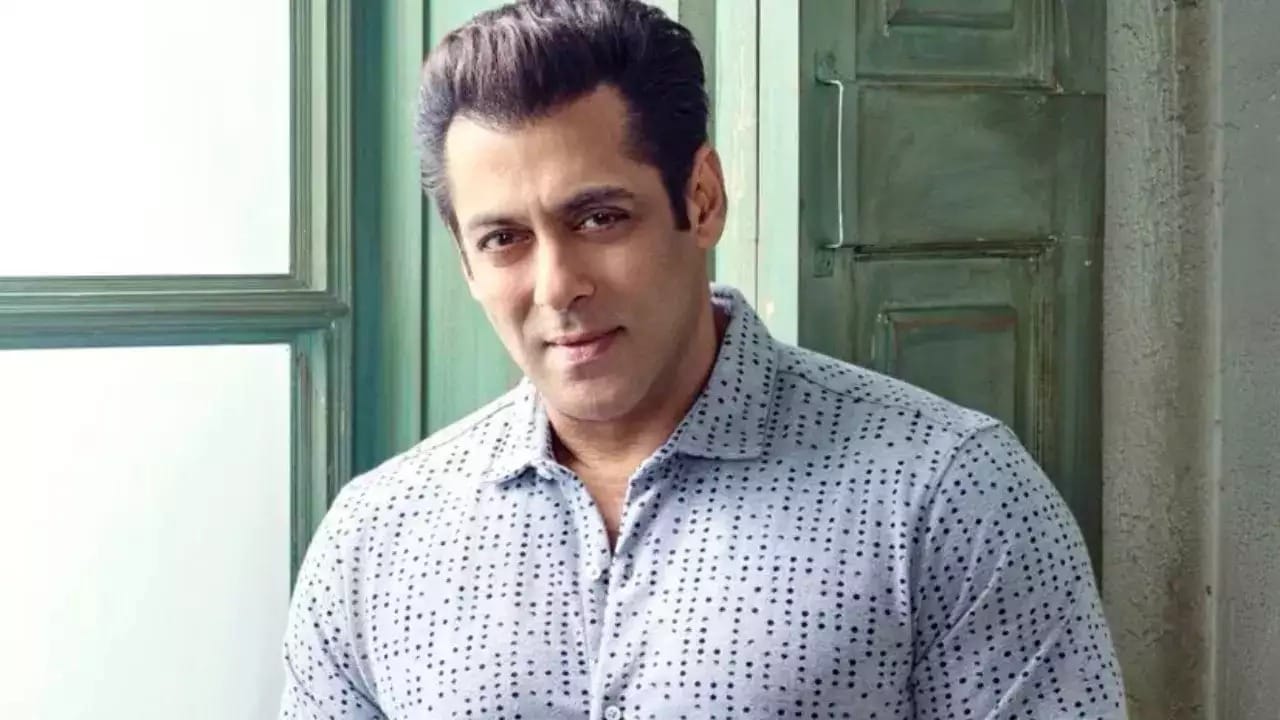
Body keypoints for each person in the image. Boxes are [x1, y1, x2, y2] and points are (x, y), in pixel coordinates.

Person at [279, 0, 1126, 717]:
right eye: (504, 239)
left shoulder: (950, 495)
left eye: (600, 219)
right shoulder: (375, 537)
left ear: (703, 198)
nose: (558, 286)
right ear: (466, 262)